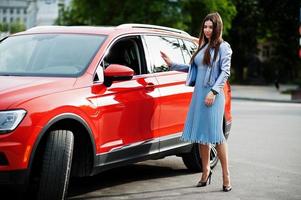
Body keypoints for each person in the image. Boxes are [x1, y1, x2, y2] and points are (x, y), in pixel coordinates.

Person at [160, 12, 232, 192]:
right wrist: (172, 64)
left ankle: (226, 175)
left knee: (216, 136)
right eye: (205, 27)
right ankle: (205, 171)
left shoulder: (224, 47)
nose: (207, 30)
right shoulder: (202, 46)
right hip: (199, 95)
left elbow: (225, 72)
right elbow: (193, 69)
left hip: (213, 96)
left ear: (217, 28)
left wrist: (214, 92)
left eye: (211, 27)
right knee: (201, 136)